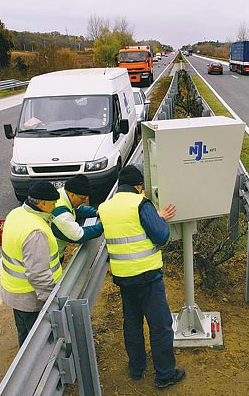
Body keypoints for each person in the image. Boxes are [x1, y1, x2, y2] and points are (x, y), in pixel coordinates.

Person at [98, 164, 185, 389]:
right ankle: (165, 374)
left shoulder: (105, 207)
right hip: (148, 276)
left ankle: (137, 368)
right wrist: (159, 217)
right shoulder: (141, 203)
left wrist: (152, 215)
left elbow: (128, 229)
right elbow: (161, 235)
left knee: (133, 324)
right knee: (160, 326)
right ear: (139, 187)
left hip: (123, 277)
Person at [0, 181, 62, 347]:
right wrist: (51, 300)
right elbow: (38, 274)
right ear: (43, 204)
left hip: (14, 293)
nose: (55, 206)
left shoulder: (16, 214)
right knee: (40, 345)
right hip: (31, 299)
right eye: (53, 203)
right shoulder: (36, 232)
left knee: (25, 339)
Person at [50, 174, 104, 262]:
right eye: (82, 198)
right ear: (72, 195)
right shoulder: (60, 212)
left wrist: (96, 212)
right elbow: (78, 235)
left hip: (53, 255)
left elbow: (76, 211)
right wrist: (102, 226)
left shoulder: (61, 196)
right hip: (48, 260)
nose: (85, 201)